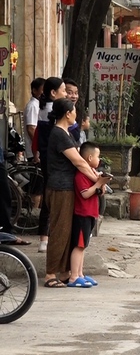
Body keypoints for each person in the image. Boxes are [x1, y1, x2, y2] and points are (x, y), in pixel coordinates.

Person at [43, 98, 100, 288]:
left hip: (68, 188)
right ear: (67, 114)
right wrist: (97, 180)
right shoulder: (58, 134)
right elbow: (79, 162)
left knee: (68, 232)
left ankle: (66, 273)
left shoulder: (66, 133)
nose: (76, 114)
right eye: (74, 110)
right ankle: (50, 274)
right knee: (59, 231)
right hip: (60, 188)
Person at [69, 142, 111, 288]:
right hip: (82, 214)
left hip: (90, 214)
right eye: (98, 156)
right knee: (79, 246)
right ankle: (73, 276)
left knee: (83, 246)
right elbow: (85, 194)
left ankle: (80, 274)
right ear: (90, 157)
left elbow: (99, 191)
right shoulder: (80, 175)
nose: (99, 160)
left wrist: (101, 183)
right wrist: (98, 184)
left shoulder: (92, 173)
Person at [34, 77, 66, 253]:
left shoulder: (43, 108)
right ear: (53, 93)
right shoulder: (54, 110)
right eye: (64, 90)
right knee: (55, 196)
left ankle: (44, 239)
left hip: (46, 158)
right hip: (56, 160)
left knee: (48, 195)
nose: (66, 94)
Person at [23, 77, 45, 160]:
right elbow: (31, 128)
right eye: (43, 90)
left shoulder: (39, 104)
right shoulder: (32, 106)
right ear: (35, 91)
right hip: (34, 153)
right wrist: (38, 147)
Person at [64, 79, 83, 145]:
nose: (74, 96)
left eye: (76, 93)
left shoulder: (75, 110)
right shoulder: (61, 112)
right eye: (70, 93)